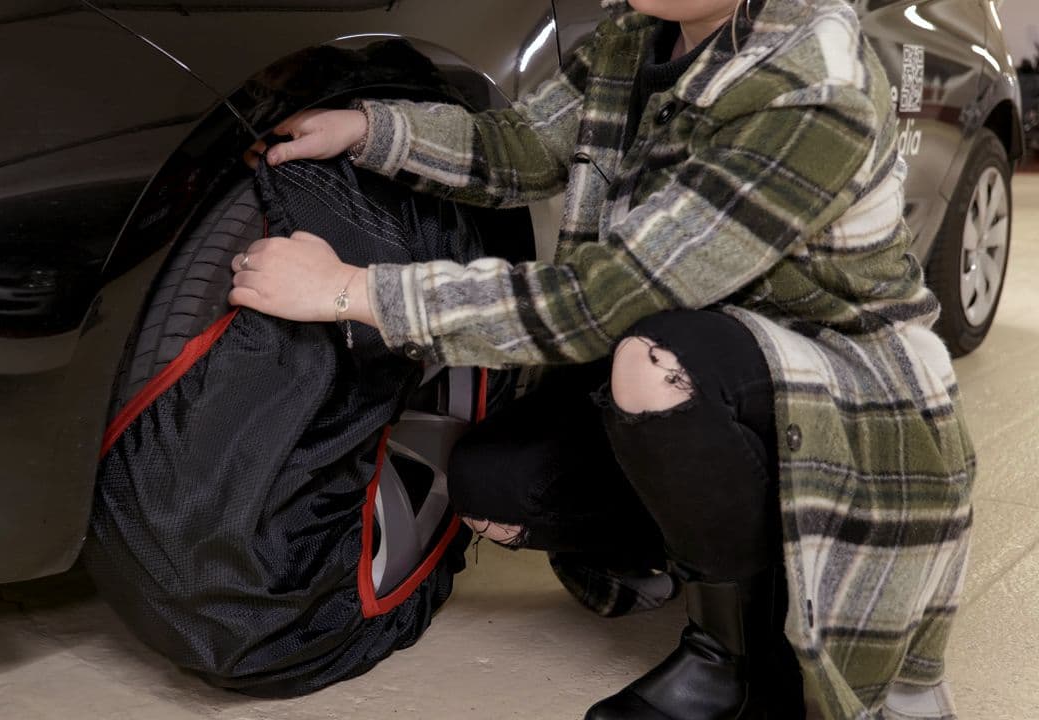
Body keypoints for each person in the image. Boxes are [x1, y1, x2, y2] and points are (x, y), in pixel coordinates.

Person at [231, 0, 975, 718]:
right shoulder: (636, 38)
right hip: (675, 346)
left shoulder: (814, 83)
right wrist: (367, 130)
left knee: (657, 363)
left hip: (832, 368)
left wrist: (350, 292)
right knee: (494, 488)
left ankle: (737, 662)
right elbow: (520, 146)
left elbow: (606, 299)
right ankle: (701, 552)